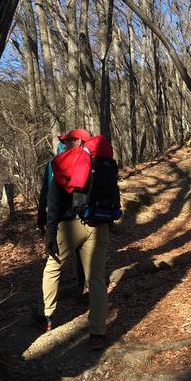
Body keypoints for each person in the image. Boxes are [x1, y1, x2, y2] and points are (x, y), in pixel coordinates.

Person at [41, 129, 111, 351]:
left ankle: (48, 316)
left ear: (79, 141)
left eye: (68, 140)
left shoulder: (66, 163)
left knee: (53, 267)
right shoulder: (102, 164)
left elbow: (54, 201)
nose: (64, 144)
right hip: (99, 225)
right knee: (97, 279)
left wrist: (49, 232)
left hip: (70, 224)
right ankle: (98, 333)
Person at [38, 141, 86, 295]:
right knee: (81, 252)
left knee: (55, 258)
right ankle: (83, 286)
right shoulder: (79, 162)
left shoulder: (52, 164)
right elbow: (81, 190)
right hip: (76, 216)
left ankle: (47, 307)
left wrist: (41, 217)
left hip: (59, 216)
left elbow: (45, 191)